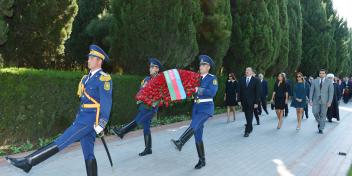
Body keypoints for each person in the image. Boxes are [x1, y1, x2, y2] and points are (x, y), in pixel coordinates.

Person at [6, 45, 113, 176]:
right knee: (88, 153)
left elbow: (106, 104)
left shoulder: (104, 79)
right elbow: (83, 101)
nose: (89, 60)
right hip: (82, 118)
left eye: (92, 58)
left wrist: (101, 123)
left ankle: (29, 162)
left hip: (90, 121)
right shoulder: (86, 78)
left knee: (62, 140)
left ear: (99, 61)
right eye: (89, 57)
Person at [171, 55, 218, 169]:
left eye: (203, 65)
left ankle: (181, 142)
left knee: (194, 124)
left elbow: (212, 92)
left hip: (206, 108)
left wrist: (198, 89)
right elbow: (191, 91)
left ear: (208, 67)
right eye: (200, 64)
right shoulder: (196, 78)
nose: (200, 66)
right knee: (198, 135)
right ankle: (202, 160)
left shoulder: (212, 78)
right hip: (196, 107)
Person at [112, 58, 162, 156]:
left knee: (137, 120)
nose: (150, 68)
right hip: (143, 106)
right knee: (146, 127)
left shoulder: (160, 80)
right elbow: (141, 91)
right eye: (150, 66)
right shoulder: (147, 79)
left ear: (157, 69)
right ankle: (148, 149)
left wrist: (153, 104)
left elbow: (160, 96)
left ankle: (122, 131)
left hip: (151, 108)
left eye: (152, 67)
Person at [238, 67, 261, 137]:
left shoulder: (256, 80)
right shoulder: (242, 80)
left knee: (250, 115)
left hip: (252, 102)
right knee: (247, 115)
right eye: (246, 70)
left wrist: (256, 102)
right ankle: (250, 127)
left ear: (251, 72)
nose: (247, 71)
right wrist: (238, 100)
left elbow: (258, 92)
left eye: (248, 70)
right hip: (244, 101)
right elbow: (239, 91)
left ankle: (247, 131)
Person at [309, 69, 334, 134]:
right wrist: (310, 99)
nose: (321, 74)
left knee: (323, 114)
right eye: (320, 73)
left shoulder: (329, 81)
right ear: (319, 74)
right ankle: (320, 122)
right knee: (315, 112)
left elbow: (331, 92)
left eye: (323, 73)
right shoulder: (314, 81)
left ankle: (321, 128)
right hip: (315, 100)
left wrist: (329, 102)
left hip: (325, 101)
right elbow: (311, 91)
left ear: (325, 74)